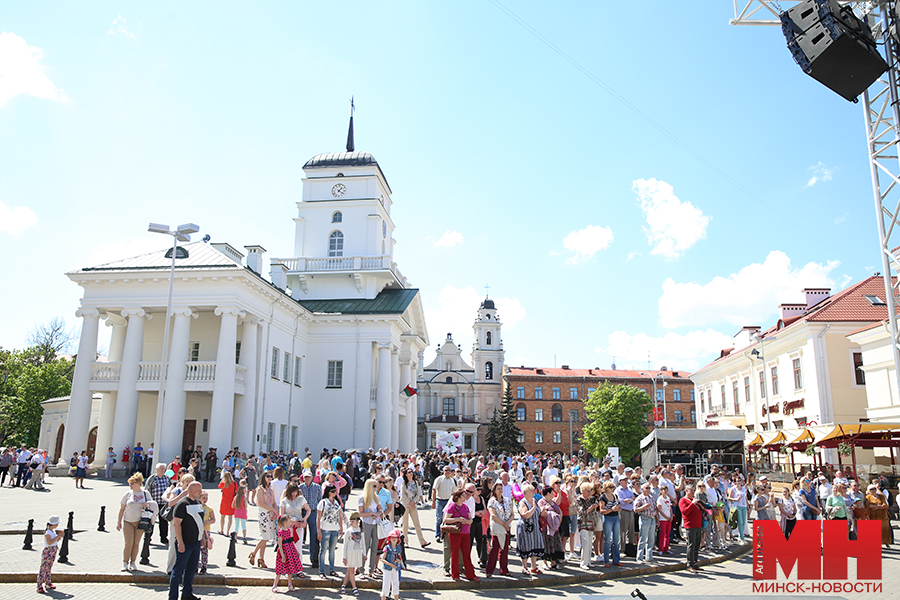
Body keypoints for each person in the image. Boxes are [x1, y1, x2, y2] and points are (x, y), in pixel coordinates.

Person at [169, 481, 204, 600]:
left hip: (196, 542)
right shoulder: (182, 504)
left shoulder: (198, 503)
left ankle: (187, 593)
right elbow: (176, 524)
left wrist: (203, 538)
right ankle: (173, 596)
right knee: (178, 570)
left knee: (191, 569)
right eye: (199, 490)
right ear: (190, 491)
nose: (201, 492)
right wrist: (180, 542)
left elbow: (200, 522)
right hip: (185, 543)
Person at [117, 473, 157, 572]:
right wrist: (119, 522)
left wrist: (146, 504)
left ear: (139, 483)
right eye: (130, 483)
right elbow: (122, 509)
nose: (130, 485)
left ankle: (133, 562)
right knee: (128, 543)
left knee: (136, 543)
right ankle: (125, 562)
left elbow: (152, 505)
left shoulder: (145, 493)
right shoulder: (128, 494)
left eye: (132, 483)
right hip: (128, 521)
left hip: (141, 521)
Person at [444, 489, 478, 581]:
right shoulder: (452, 506)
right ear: (458, 497)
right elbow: (446, 520)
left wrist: (468, 521)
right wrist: (458, 519)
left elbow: (470, 519)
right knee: (454, 553)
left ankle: (470, 574)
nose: (465, 497)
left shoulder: (466, 506)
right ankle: (455, 575)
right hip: (456, 533)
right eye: (463, 496)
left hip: (466, 533)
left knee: (466, 554)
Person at [250, 471, 278, 569]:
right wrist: (273, 509)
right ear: (263, 477)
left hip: (270, 512)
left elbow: (274, 502)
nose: (270, 478)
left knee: (267, 536)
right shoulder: (260, 489)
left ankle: (261, 558)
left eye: (271, 476)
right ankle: (254, 553)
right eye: (268, 476)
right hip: (264, 513)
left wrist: (275, 511)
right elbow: (261, 503)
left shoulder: (271, 489)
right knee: (265, 536)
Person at [516, 483, 545, 574]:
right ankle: (524, 567)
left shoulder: (533, 500)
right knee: (525, 546)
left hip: (535, 527)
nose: (533, 492)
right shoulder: (522, 502)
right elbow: (525, 515)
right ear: (525, 492)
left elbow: (538, 513)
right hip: (526, 528)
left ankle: (534, 566)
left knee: (535, 545)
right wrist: (533, 508)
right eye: (531, 491)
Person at [486, 481, 513, 576]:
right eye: (498, 488)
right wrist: (503, 523)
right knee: (494, 549)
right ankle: (489, 571)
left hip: (506, 528)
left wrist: (507, 524)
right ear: (494, 490)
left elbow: (512, 514)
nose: (500, 490)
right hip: (497, 528)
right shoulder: (492, 501)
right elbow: (493, 515)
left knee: (504, 550)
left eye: (501, 488)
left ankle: (504, 570)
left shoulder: (507, 500)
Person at [317, 484, 345, 577]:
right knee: (323, 549)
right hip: (325, 528)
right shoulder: (323, 502)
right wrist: (319, 531)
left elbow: (339, 515)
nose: (335, 493)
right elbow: (318, 517)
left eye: (335, 491)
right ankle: (321, 571)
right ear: (328, 492)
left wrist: (341, 528)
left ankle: (332, 570)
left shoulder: (336, 502)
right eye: (333, 491)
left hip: (335, 528)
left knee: (332, 550)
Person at [358, 479, 384, 579]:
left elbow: (380, 509)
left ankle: (371, 570)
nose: (376, 488)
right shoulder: (362, 498)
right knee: (365, 547)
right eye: (374, 486)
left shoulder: (376, 497)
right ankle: (361, 570)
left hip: (375, 523)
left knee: (374, 547)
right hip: (366, 523)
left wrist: (377, 514)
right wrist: (371, 514)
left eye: (376, 486)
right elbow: (361, 513)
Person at [399, 469, 430, 547]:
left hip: (413, 505)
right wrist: (409, 502)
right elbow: (403, 494)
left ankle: (422, 541)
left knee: (417, 523)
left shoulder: (415, 482)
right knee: (405, 524)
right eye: (409, 472)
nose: (411, 473)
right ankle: (405, 541)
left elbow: (418, 493)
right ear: (406, 474)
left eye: (411, 472)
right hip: (405, 505)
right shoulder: (404, 483)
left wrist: (414, 501)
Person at [273, 515, 304, 592]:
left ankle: (290, 584)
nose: (290, 523)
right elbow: (280, 545)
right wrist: (282, 555)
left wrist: (296, 551)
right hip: (284, 552)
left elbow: (291, 541)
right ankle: (274, 585)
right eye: (289, 521)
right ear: (285, 522)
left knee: (290, 568)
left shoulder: (288, 530)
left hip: (290, 551)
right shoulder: (280, 532)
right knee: (279, 570)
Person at [299, 470, 323, 569]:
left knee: (314, 536)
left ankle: (313, 557)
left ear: (312, 477)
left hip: (313, 512)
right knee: (300, 536)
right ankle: (298, 558)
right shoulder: (300, 488)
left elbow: (319, 500)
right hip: (303, 513)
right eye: (305, 477)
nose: (307, 478)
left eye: (309, 477)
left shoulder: (317, 487)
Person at [537, 485, 564, 570]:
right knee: (546, 545)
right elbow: (542, 513)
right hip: (546, 528)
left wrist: (559, 520)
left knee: (554, 545)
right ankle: (545, 562)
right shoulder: (541, 502)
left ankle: (554, 562)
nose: (553, 494)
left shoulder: (553, 502)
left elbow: (560, 511)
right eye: (552, 493)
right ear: (548, 493)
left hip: (554, 527)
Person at [679, 484, 703, 574]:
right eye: (691, 490)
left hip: (697, 525)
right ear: (686, 491)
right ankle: (690, 564)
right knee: (691, 545)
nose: (693, 492)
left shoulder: (693, 499)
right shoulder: (683, 500)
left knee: (697, 546)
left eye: (693, 490)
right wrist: (692, 504)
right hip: (690, 526)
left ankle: (695, 563)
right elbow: (685, 512)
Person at [146, 463, 172, 545]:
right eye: (161, 468)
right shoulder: (152, 478)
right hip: (154, 503)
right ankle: (148, 537)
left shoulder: (167, 478)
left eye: (164, 468)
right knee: (152, 520)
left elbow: (170, 488)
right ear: (156, 469)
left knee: (164, 522)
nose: (163, 470)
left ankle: (163, 537)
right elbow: (147, 489)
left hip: (164, 503)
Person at [36, 515, 61, 594]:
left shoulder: (52, 531)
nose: (57, 525)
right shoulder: (48, 532)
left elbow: (54, 541)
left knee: (49, 567)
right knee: (43, 568)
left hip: (53, 550)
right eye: (57, 524)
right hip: (48, 551)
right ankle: (39, 585)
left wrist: (58, 538)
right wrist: (58, 537)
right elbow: (49, 542)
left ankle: (47, 582)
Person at [342, 512, 366, 596]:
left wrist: (365, 554)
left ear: (357, 521)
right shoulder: (348, 531)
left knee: (350, 570)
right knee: (351, 570)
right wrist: (344, 557)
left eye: (353, 521)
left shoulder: (360, 530)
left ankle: (343, 586)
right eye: (350, 521)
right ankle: (354, 588)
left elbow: (363, 543)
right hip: (350, 553)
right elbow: (345, 545)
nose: (351, 523)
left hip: (357, 553)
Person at [576, 481, 598, 570]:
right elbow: (581, 512)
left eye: (590, 491)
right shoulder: (579, 500)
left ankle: (588, 561)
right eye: (588, 491)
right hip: (583, 523)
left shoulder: (590, 499)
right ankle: (583, 563)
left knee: (589, 543)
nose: (589, 493)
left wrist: (595, 507)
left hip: (591, 523)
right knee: (585, 543)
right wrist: (591, 508)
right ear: (583, 491)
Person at [599, 481, 621, 567]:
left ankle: (616, 559)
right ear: (606, 488)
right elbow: (602, 511)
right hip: (608, 518)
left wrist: (617, 509)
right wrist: (612, 509)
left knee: (616, 540)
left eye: (613, 487)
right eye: (610, 487)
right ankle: (606, 560)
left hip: (616, 517)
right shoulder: (603, 497)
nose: (612, 489)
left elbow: (619, 506)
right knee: (607, 540)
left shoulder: (615, 496)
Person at [431, 465, 457, 540]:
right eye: (446, 470)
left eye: (449, 470)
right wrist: (433, 502)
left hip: (449, 501)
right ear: (443, 471)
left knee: (448, 518)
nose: (448, 472)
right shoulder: (439, 479)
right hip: (440, 501)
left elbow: (454, 492)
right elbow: (434, 489)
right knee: (439, 518)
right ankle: (438, 535)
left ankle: (446, 534)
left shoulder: (452, 480)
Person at [634, 483, 657, 563]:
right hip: (644, 518)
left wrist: (657, 519)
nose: (648, 489)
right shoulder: (640, 498)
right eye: (646, 488)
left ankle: (649, 557)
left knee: (651, 539)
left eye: (649, 488)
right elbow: (635, 509)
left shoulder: (651, 497)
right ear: (642, 489)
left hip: (652, 518)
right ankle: (639, 557)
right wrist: (644, 507)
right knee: (642, 538)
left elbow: (655, 508)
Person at [865, 483, 892, 547]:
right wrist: (878, 506)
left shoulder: (881, 496)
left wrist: (877, 507)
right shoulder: (868, 497)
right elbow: (868, 506)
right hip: (873, 515)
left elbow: (885, 505)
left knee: (884, 529)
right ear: (869, 490)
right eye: (871, 489)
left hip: (882, 515)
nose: (873, 490)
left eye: (874, 489)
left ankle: (886, 542)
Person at [199, 491, 216, 574]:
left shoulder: (209, 509)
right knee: (196, 548)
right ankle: (195, 566)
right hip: (197, 531)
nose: (205, 500)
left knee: (205, 549)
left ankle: (204, 565)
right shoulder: (197, 507)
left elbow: (213, 519)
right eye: (203, 498)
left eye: (206, 498)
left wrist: (207, 522)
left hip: (206, 531)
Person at [218, 470, 238, 536]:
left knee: (222, 516)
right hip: (231, 501)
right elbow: (237, 490)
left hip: (224, 501)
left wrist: (222, 480)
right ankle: (227, 531)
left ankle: (221, 530)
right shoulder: (234, 483)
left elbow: (219, 486)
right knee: (230, 517)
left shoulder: (223, 483)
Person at [657, 484, 673, 555]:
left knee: (667, 534)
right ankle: (660, 549)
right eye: (664, 490)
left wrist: (671, 516)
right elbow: (660, 510)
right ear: (661, 491)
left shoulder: (667, 498)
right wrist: (666, 517)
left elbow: (670, 508)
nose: (665, 491)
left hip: (668, 519)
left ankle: (666, 547)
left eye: (666, 490)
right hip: (663, 519)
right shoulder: (660, 499)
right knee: (662, 534)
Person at [233, 479, 249, 543]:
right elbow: (245, 506)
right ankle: (244, 537)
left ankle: (235, 538)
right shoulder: (244, 498)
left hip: (237, 512)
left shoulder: (236, 497)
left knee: (236, 526)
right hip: (243, 512)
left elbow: (232, 505)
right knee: (244, 526)